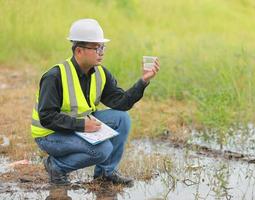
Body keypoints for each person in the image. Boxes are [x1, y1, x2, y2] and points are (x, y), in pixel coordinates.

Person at [31, 18, 160, 186]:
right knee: (103, 149)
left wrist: (143, 81)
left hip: (79, 127)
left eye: (102, 47)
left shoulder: (100, 73)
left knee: (122, 118)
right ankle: (56, 166)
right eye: (96, 47)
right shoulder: (55, 76)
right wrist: (82, 125)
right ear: (79, 51)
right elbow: (47, 117)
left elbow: (122, 103)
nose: (102, 52)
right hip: (50, 135)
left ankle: (105, 173)